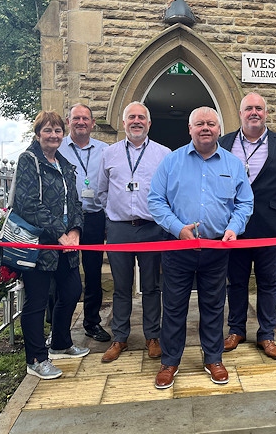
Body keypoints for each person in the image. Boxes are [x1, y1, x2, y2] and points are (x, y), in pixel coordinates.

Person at [148, 106, 253, 389]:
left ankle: (213, 358)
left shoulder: (233, 164)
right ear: (190, 129)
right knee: (173, 307)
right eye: (199, 124)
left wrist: (234, 228)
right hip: (177, 249)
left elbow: (245, 203)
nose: (205, 128)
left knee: (214, 306)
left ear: (219, 129)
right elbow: (155, 200)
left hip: (217, 250)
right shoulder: (171, 162)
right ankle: (170, 362)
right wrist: (177, 228)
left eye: (210, 123)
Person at [219, 92, 276, 360]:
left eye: (259, 108)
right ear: (240, 113)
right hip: (235, 228)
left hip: (271, 227)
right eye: (248, 108)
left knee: (268, 284)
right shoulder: (224, 143)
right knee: (236, 283)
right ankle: (236, 330)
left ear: (265, 113)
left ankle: (267, 334)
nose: (254, 112)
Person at [13, 110, 89, 380]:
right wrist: (60, 233)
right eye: (48, 130)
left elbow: (76, 204)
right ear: (37, 134)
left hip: (66, 244)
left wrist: (76, 232)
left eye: (58, 130)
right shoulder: (29, 160)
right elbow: (29, 204)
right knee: (36, 301)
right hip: (40, 245)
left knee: (71, 291)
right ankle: (36, 358)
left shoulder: (64, 164)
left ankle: (60, 342)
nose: (54, 135)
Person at [96, 101, 170, 363]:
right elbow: (101, 191)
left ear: (149, 123)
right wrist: (110, 219)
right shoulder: (109, 154)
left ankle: (153, 336)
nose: (136, 121)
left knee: (151, 286)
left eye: (141, 117)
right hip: (119, 229)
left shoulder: (163, 154)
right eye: (131, 117)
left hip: (151, 229)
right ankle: (120, 338)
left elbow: (169, 192)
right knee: (121, 287)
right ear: (124, 122)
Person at [57, 103, 110, 343]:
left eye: (85, 119)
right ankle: (58, 327)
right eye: (76, 118)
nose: (81, 122)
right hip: (65, 220)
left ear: (92, 123)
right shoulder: (58, 148)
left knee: (93, 272)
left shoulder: (105, 149)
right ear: (68, 121)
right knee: (62, 273)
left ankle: (91, 322)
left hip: (94, 217)